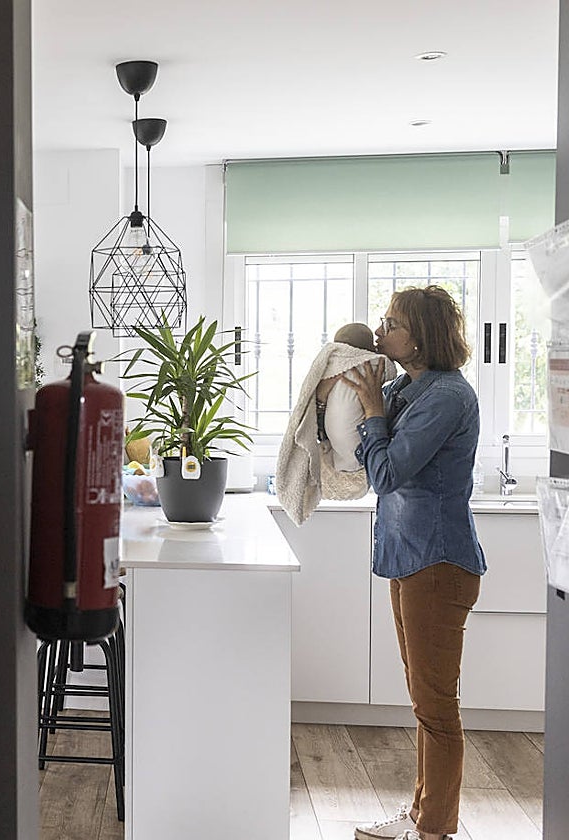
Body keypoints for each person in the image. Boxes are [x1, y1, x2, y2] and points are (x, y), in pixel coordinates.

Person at [342, 286, 486, 840]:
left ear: (422, 336)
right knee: (423, 702)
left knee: (436, 709)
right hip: (409, 559)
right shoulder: (407, 387)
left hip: (438, 563)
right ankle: (422, 815)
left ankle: (434, 829)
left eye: (393, 323)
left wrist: (374, 412)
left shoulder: (448, 396)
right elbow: (366, 454)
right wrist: (371, 406)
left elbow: (385, 473)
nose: (381, 331)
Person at [275, 322, 395, 525]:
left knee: (343, 439)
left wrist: (321, 400)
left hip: (337, 437)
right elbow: (391, 372)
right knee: (352, 448)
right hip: (359, 441)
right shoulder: (375, 363)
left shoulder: (331, 365)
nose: (379, 332)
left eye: (389, 325)